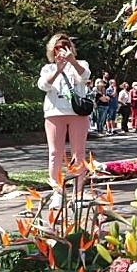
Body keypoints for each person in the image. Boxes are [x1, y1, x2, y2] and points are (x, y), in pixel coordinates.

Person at [39, 34, 91, 199]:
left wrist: (72, 61)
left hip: (77, 113)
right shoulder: (48, 68)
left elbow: (85, 76)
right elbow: (43, 86)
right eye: (57, 47)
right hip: (54, 113)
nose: (61, 49)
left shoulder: (80, 64)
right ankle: (57, 193)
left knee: (79, 153)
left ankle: (78, 193)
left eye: (65, 45)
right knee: (55, 152)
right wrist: (58, 70)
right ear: (51, 50)